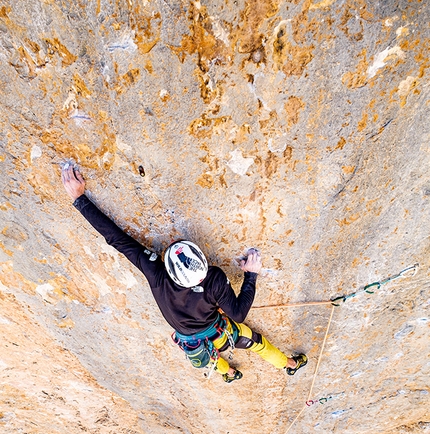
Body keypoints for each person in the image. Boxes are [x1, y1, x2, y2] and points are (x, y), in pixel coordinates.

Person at [61, 160, 307, 382]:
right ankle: (290, 365)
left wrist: (80, 199)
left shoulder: (156, 274)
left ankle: (229, 373)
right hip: (216, 332)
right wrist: (251, 275)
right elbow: (239, 314)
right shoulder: (213, 279)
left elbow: (117, 239)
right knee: (255, 343)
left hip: (189, 340)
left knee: (209, 357)